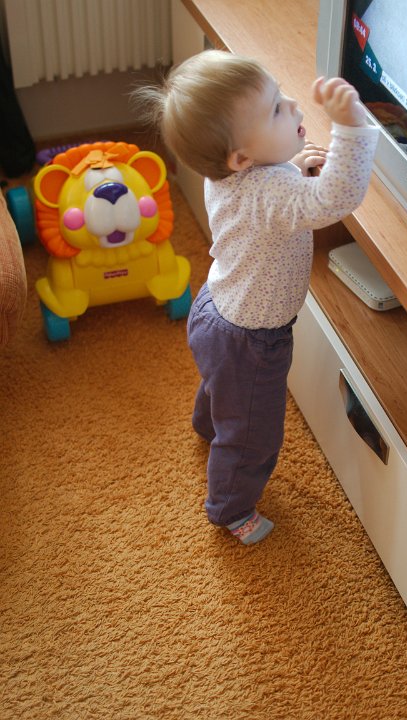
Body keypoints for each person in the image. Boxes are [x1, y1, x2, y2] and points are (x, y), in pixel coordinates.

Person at [134, 50, 379, 544]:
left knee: (222, 386)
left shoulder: (224, 172)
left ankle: (208, 424)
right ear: (242, 158)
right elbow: (335, 198)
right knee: (252, 435)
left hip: (216, 310)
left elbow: (264, 190)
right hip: (251, 339)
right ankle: (230, 508)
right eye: (276, 109)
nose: (293, 105)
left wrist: (288, 165)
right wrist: (351, 126)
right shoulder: (270, 193)